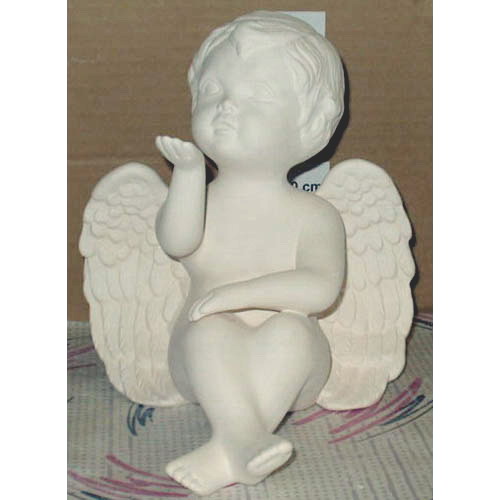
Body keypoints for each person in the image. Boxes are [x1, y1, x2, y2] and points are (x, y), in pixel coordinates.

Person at [155, 11, 346, 495]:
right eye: (213, 90)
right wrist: (188, 176)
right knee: (208, 331)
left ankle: (233, 442)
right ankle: (241, 441)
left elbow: (320, 288)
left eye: (257, 94)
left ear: (312, 124)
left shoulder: (314, 214)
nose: (226, 106)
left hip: (292, 370)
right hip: (200, 363)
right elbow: (176, 242)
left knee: (291, 330)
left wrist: (234, 295)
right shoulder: (199, 200)